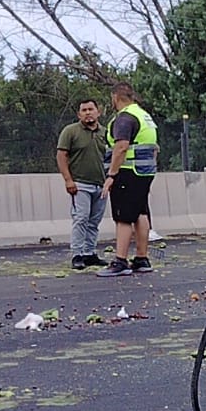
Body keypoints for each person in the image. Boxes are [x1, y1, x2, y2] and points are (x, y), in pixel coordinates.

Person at [98, 82, 159, 277]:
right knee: (141, 212)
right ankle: (142, 258)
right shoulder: (144, 115)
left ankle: (120, 261)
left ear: (115, 97)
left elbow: (121, 147)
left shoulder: (125, 118)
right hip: (144, 171)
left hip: (127, 171)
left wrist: (111, 176)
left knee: (123, 216)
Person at [55, 98, 109, 269]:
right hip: (80, 184)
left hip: (101, 184)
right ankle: (77, 254)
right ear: (79, 114)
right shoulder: (70, 131)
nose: (88, 113)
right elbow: (61, 156)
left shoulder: (106, 133)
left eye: (91, 109)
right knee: (81, 218)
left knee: (94, 221)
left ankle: (90, 253)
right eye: (84, 110)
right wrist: (68, 180)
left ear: (98, 112)